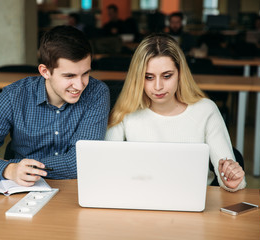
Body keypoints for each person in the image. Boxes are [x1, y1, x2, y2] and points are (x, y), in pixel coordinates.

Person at [0, 25, 110, 186]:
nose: (80, 85)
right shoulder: (14, 96)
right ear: (45, 72)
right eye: (69, 76)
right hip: (21, 188)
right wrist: (10, 169)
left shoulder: (97, 92)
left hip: (74, 188)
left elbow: (79, 162)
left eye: (85, 73)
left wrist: (20, 166)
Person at [105, 33, 246, 192]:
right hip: (140, 200)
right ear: (138, 78)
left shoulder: (206, 110)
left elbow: (230, 178)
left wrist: (231, 181)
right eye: (149, 77)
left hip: (193, 201)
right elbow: (107, 171)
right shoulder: (124, 111)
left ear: (180, 74)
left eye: (167, 76)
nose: (158, 86)